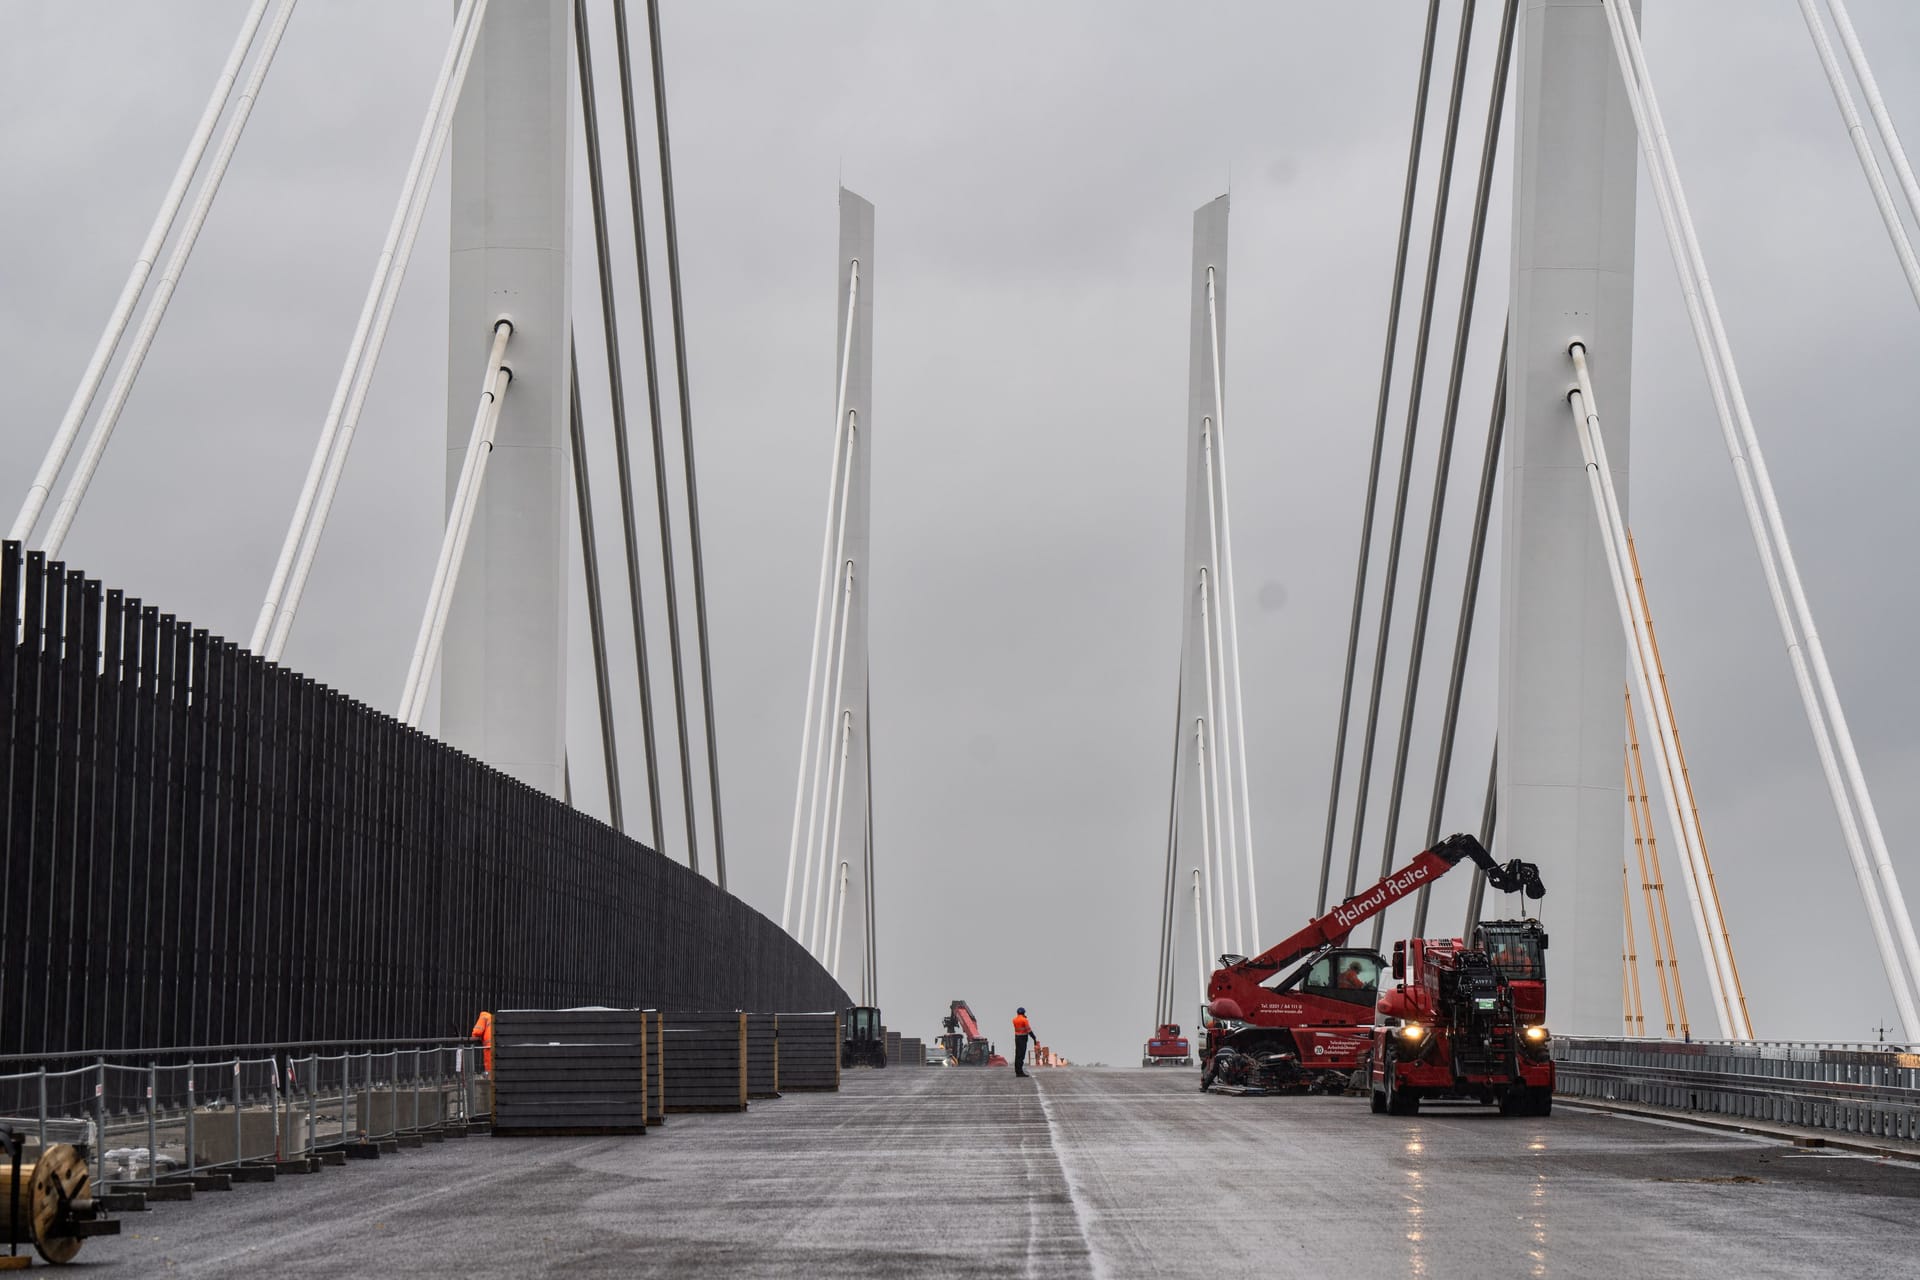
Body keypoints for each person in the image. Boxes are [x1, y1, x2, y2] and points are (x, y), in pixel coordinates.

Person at [470, 1009, 495, 1075]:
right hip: (495, 1045)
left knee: (489, 1066)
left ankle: (490, 1081)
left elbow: (477, 1032)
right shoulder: (492, 1018)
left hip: (489, 1046)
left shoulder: (483, 1016)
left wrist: (473, 1036)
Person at [1012, 1007, 1034, 1077]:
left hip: (1017, 1038)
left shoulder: (1014, 1020)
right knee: (1021, 1056)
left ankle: (1017, 1071)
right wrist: (1034, 1037)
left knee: (1017, 1055)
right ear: (1024, 1012)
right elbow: (1029, 1030)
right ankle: (1020, 1072)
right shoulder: (1024, 1020)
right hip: (1023, 1039)